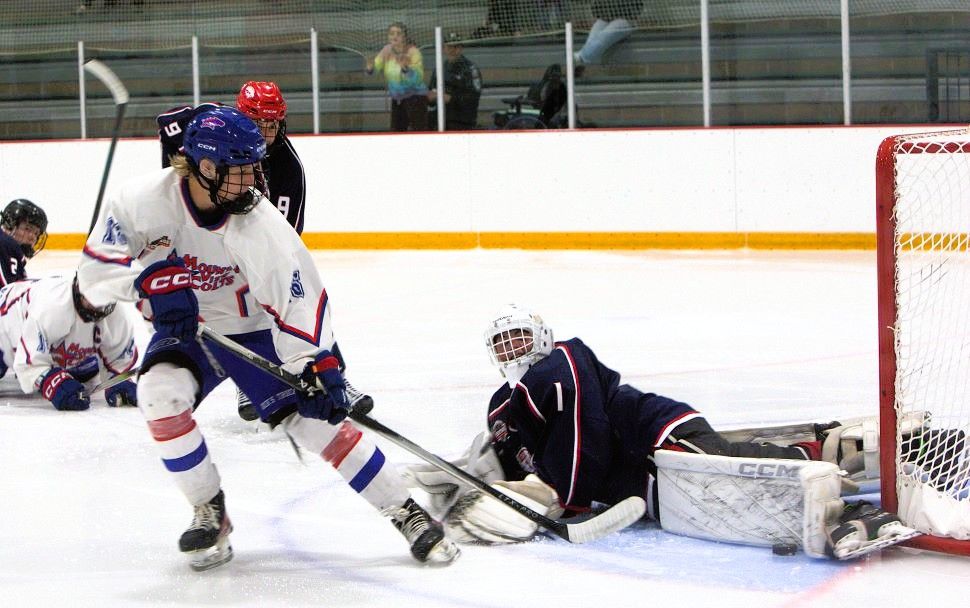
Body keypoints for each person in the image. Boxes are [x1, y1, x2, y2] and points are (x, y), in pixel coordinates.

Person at [77, 106, 459, 570]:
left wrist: (318, 363)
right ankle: (210, 511)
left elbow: (298, 300)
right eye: (242, 169)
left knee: (317, 426)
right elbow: (92, 275)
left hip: (254, 330)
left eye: (255, 166)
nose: (255, 179)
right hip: (191, 335)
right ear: (206, 167)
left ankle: (407, 512)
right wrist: (144, 285)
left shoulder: (259, 222)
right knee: (158, 396)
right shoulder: (139, 202)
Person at [407, 304, 917, 558]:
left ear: (541, 336)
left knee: (723, 471)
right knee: (719, 490)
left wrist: (567, 496)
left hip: (654, 433)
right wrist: (466, 480)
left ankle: (851, 505)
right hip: (638, 482)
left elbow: (582, 432)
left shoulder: (562, 361)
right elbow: (507, 456)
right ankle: (824, 446)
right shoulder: (504, 403)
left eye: (520, 337)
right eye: (503, 344)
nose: (513, 351)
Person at [157, 82, 313, 422]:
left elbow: (287, 238)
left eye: (273, 125)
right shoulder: (217, 130)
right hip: (206, 236)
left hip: (248, 241)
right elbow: (169, 122)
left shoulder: (287, 168)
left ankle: (318, 368)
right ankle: (243, 377)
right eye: (258, 124)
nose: (267, 134)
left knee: (291, 296)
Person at [0, 275, 137, 411]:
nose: (96, 305)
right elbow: (28, 363)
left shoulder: (119, 316)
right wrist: (50, 382)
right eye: (91, 297)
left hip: (46, 330)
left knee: (86, 371)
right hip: (6, 324)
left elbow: (118, 360)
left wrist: (117, 378)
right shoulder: (50, 307)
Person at [365, 22, 429, 132]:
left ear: (405, 36)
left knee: (419, 132)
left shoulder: (413, 52)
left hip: (416, 98)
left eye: (398, 33)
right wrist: (370, 68)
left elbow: (418, 79)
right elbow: (375, 68)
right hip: (397, 98)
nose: (394, 36)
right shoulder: (386, 50)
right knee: (396, 132)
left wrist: (406, 69)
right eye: (391, 33)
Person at [427, 32, 483, 131]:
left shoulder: (470, 69)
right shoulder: (440, 68)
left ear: (461, 48)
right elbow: (432, 90)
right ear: (444, 48)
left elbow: (473, 98)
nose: (452, 50)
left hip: (461, 122)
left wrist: (451, 99)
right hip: (440, 119)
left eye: (455, 47)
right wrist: (430, 97)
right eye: (449, 47)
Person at [573, 1, 643, 72]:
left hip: (626, 22)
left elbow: (636, 9)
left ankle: (581, 57)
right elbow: (595, 10)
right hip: (607, 20)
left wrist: (616, 14)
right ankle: (581, 62)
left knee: (607, 32)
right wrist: (607, 14)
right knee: (598, 26)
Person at [0, 199, 48, 286]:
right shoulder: (6, 245)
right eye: (28, 229)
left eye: (36, 234)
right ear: (10, 224)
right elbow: (7, 294)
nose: (32, 238)